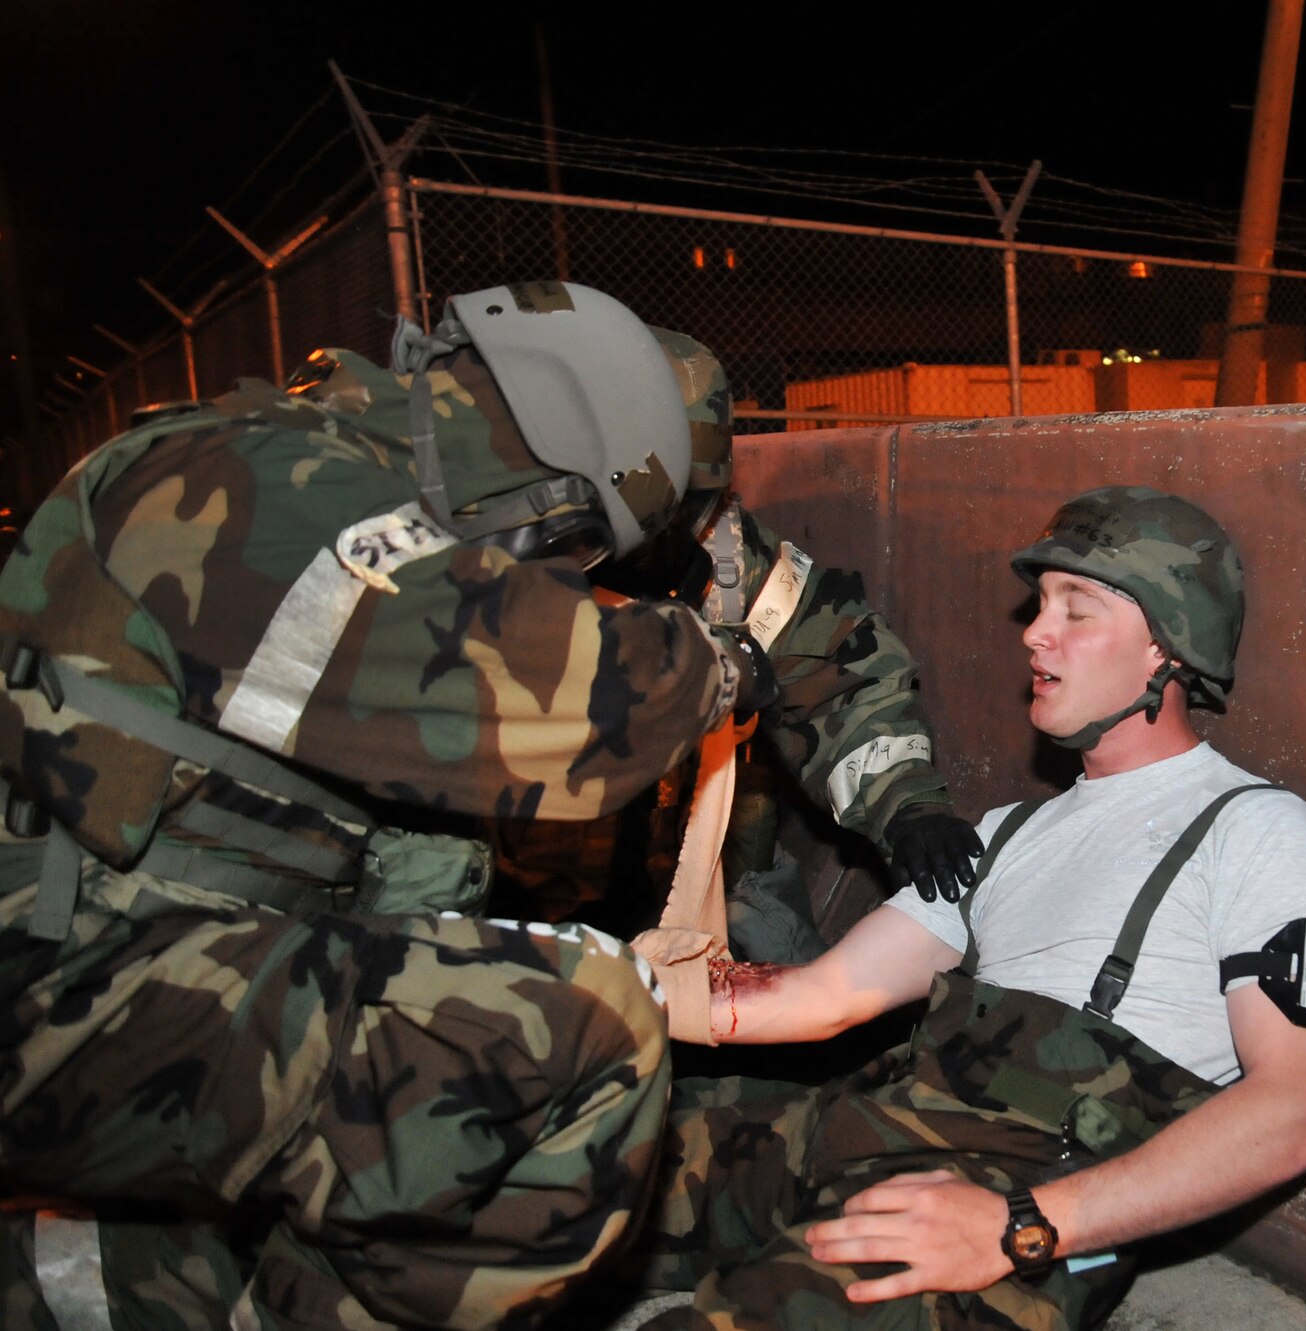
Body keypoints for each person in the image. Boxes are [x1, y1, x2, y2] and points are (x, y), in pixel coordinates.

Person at [0, 280, 776, 1328]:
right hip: (54, 977)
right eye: (575, 545)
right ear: (544, 481)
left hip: (107, 950)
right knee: (569, 1030)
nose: (559, 572)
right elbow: (575, 701)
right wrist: (718, 669)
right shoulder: (250, 477)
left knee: (366, 1170)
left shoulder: (300, 472)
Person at [623, 485, 1306, 1331]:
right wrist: (590, 986)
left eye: (1076, 611)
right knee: (550, 1159)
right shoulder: (1009, 831)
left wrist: (1027, 1226)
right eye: (1039, 605)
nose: (1035, 633)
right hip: (871, 1121)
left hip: (1008, 1179)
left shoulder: (1261, 831)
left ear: (1168, 648)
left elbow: (1297, 1111)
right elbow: (822, 998)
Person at [488, 328, 983, 959]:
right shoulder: (461, 562)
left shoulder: (723, 558)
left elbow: (833, 672)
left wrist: (907, 803)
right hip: (488, 899)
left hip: (684, 888)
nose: (663, 525)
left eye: (683, 502)